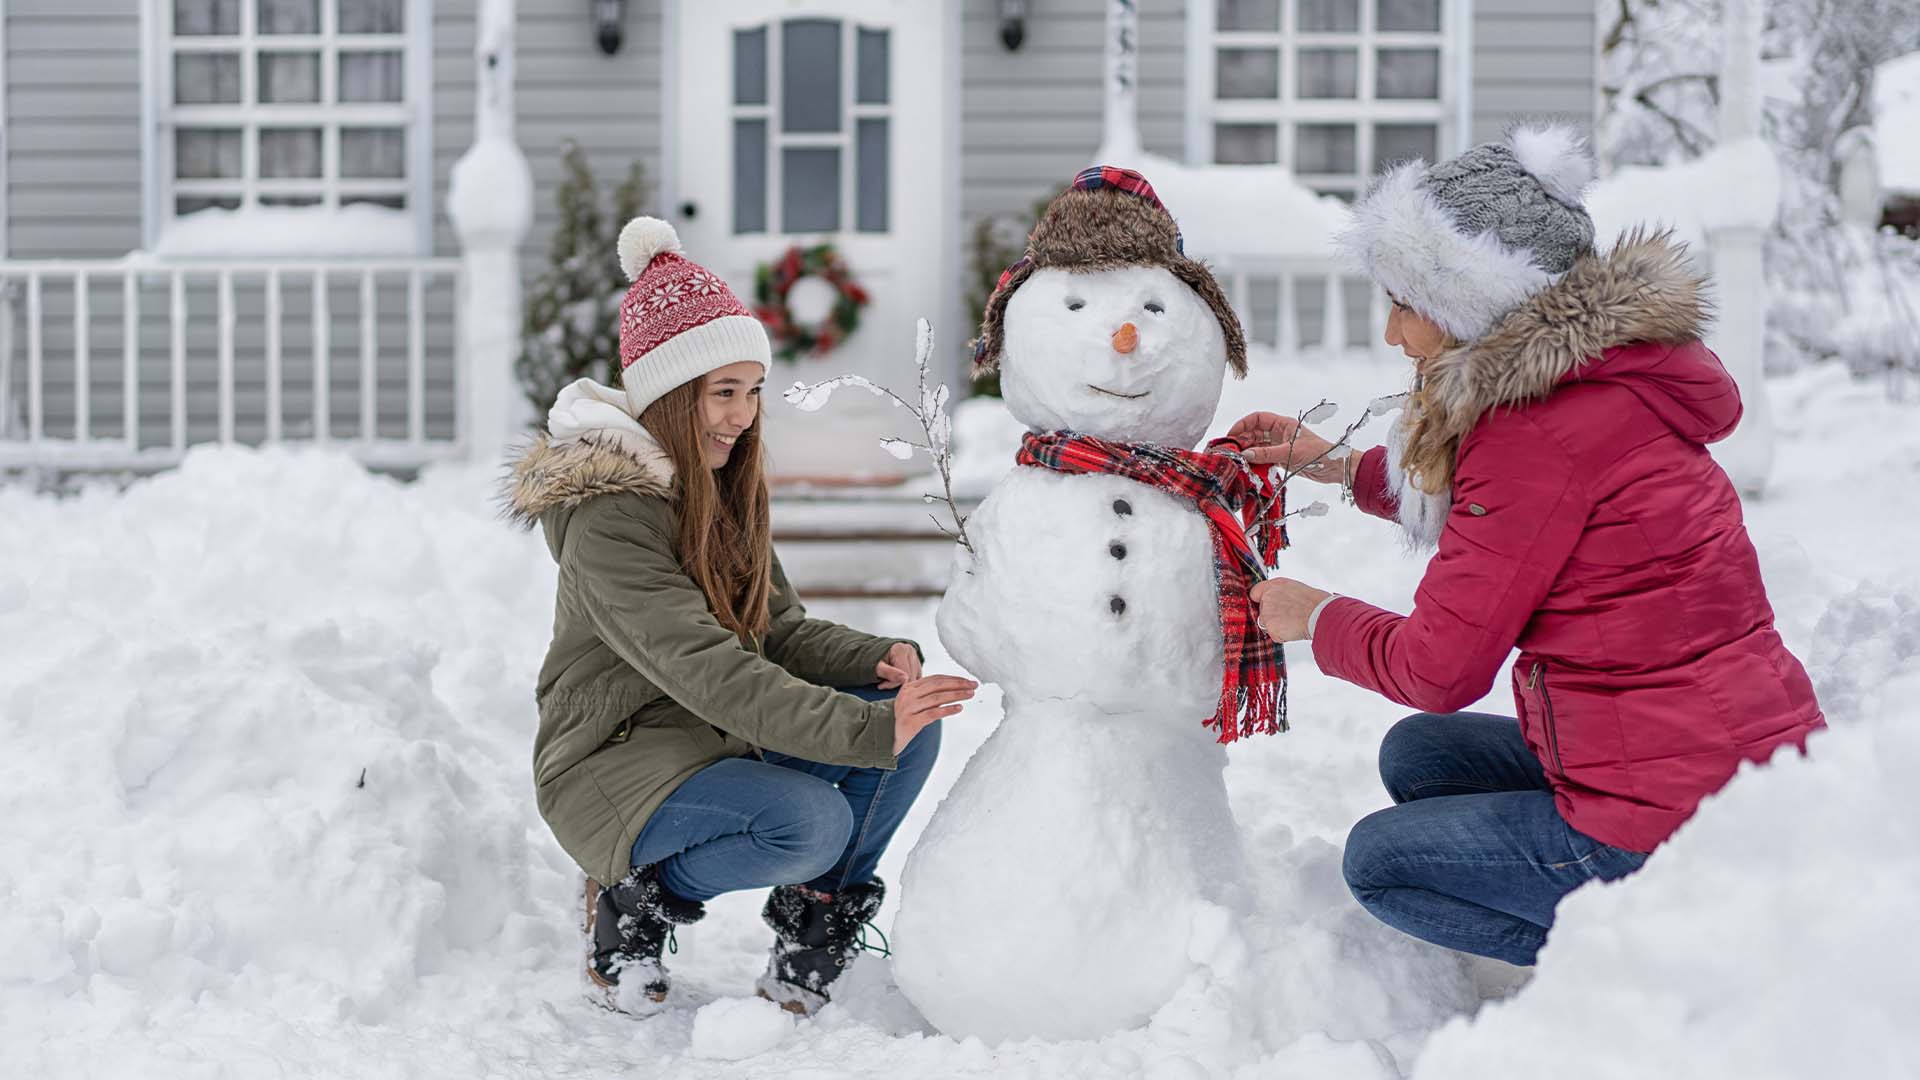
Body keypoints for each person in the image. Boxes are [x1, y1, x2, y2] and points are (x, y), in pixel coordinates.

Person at [1233, 125, 1824, 967]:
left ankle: (1640, 960)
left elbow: (1440, 669)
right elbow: (1505, 514)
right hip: (1736, 766)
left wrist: (1315, 616)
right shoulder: (1600, 381)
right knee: (1422, 758)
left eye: (1407, 303)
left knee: (1380, 864)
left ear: (1470, 305)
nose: (1395, 332)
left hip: (1667, 821)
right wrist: (1331, 464)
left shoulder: (1533, 435)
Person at [504, 216, 976, 1016]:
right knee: (811, 820)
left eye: (753, 391)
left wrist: (875, 661)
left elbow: (777, 633)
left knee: (909, 729)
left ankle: (813, 928)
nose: (744, 416)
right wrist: (864, 731)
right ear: (669, 399)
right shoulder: (609, 520)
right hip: (612, 764)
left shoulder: (721, 492)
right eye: (723, 394)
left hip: (709, 743)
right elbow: (709, 668)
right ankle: (635, 901)